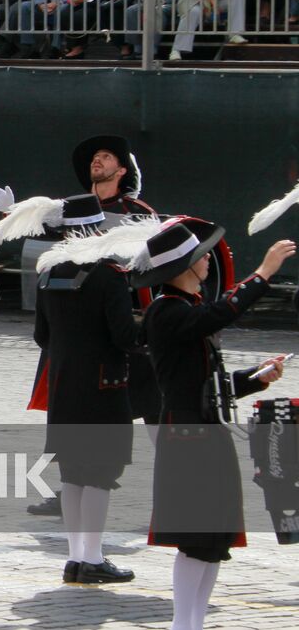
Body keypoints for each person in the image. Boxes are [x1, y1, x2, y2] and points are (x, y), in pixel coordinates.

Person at [135, 219, 291, 630]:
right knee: (195, 541)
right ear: (184, 266)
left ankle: (194, 624)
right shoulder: (167, 311)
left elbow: (209, 382)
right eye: (201, 256)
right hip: (188, 439)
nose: (208, 260)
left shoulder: (185, 310)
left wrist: (255, 377)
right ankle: (182, 625)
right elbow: (223, 313)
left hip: (206, 435)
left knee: (213, 542)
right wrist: (264, 273)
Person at [28, 195, 137, 584]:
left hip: (62, 385)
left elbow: (42, 336)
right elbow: (125, 337)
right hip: (103, 388)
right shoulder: (110, 275)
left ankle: (76, 558)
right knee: (100, 476)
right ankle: (92, 558)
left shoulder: (46, 274)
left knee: (73, 476)